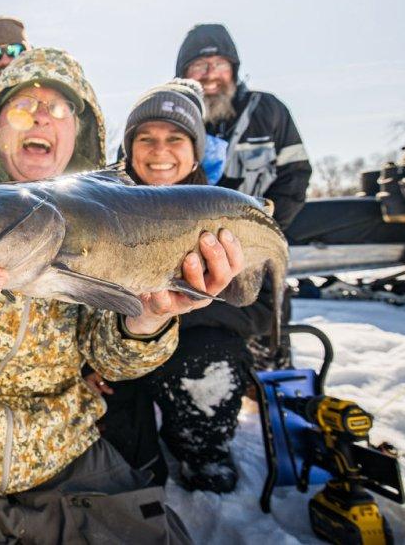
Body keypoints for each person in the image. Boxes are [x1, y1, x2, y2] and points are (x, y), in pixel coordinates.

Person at [0, 48, 245, 544]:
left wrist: (146, 321)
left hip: (63, 450)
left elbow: (111, 359)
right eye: (22, 107)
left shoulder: (106, 210)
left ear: (77, 131)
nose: (40, 116)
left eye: (58, 109)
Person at [89, 78, 283, 494]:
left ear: (196, 149)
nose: (160, 151)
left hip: (191, 348)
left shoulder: (230, 210)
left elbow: (260, 310)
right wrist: (87, 364)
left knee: (209, 357)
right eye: (146, 138)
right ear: (129, 148)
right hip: (114, 353)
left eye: (175, 138)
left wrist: (180, 308)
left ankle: (202, 449)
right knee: (135, 473)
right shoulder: (99, 207)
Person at [177, 23, 311, 229]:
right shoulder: (162, 117)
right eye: (199, 65)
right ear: (183, 73)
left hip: (254, 242)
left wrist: (262, 233)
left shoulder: (269, 111)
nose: (211, 74)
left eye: (221, 64)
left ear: (234, 69)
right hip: (179, 242)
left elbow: (295, 177)